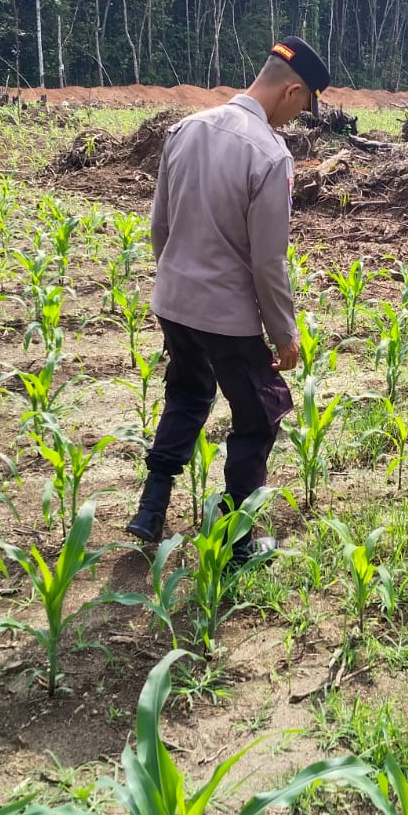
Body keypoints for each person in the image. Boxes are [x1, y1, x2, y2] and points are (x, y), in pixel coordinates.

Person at [124, 36, 331, 561]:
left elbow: (160, 226)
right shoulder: (268, 153)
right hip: (227, 316)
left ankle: (151, 509)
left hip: (174, 301)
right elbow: (268, 261)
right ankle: (238, 536)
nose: (295, 120)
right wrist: (284, 334)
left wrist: (177, 282)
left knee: (188, 395)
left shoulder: (186, 129)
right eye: (302, 107)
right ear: (292, 91)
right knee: (259, 414)